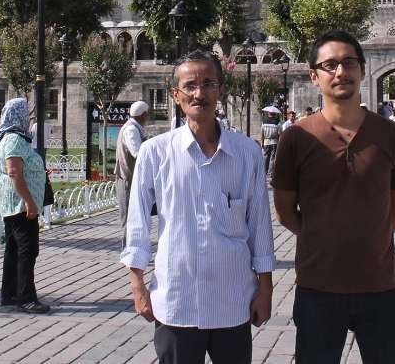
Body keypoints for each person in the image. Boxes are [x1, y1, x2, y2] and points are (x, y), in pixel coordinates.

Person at [122, 50, 275, 363]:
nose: (199, 93)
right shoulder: (155, 153)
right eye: (190, 85)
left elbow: (259, 224)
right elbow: (136, 223)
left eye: (208, 84)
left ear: (220, 90)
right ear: (176, 95)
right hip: (177, 300)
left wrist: (266, 287)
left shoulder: (246, 153)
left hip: (232, 300)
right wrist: (137, 284)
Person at [272, 31, 395, 363]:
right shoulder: (297, 138)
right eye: (330, 64)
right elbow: (285, 211)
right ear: (314, 76)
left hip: (379, 285)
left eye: (349, 62)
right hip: (319, 287)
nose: (340, 72)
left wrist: (368, 237)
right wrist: (322, 237)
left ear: (363, 71)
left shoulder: (390, 135)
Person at [0, 97, 50, 313]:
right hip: (19, 204)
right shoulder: (14, 139)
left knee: (14, 248)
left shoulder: (10, 137)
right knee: (27, 249)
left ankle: (9, 293)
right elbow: (14, 171)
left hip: (13, 202)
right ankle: (26, 296)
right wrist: (29, 201)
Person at [114, 101, 149, 246]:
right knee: (128, 216)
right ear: (144, 115)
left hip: (132, 177)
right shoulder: (131, 130)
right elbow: (137, 152)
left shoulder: (135, 128)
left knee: (134, 216)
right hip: (127, 178)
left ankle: (132, 247)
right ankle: (127, 250)